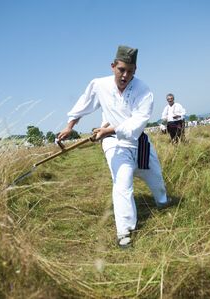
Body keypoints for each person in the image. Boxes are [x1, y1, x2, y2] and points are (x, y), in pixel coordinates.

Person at [57, 45, 170, 248]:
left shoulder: (144, 91)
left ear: (135, 70)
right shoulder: (99, 85)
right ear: (113, 66)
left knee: (156, 178)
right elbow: (85, 103)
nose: (125, 75)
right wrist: (69, 126)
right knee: (122, 182)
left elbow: (138, 121)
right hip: (114, 144)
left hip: (138, 141)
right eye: (121, 70)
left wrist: (108, 130)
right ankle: (125, 231)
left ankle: (162, 203)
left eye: (130, 71)